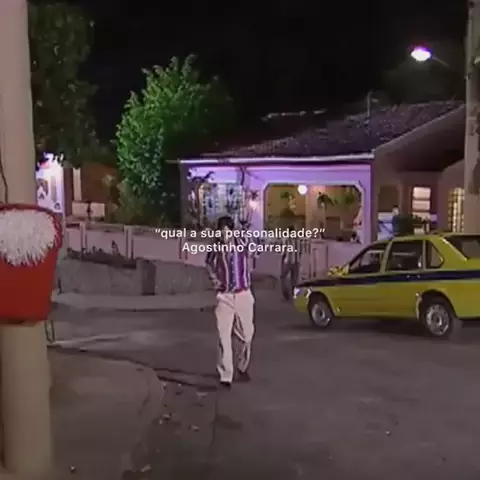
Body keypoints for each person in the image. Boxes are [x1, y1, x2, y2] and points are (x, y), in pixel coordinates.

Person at [205, 215, 259, 389]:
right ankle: (225, 375)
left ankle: (242, 366)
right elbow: (208, 263)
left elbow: (255, 251)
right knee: (223, 336)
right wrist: (215, 281)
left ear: (232, 231)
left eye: (226, 232)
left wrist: (248, 231)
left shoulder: (241, 242)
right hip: (224, 297)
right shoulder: (216, 246)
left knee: (247, 335)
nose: (224, 236)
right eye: (221, 232)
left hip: (243, 294)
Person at [280, 225, 302, 300]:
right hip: (296, 261)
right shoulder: (298, 239)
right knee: (294, 279)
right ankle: (294, 294)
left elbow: (283, 251)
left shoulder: (286, 239)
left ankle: (285, 293)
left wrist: (283, 258)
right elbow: (300, 251)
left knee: (283, 276)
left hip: (288, 261)